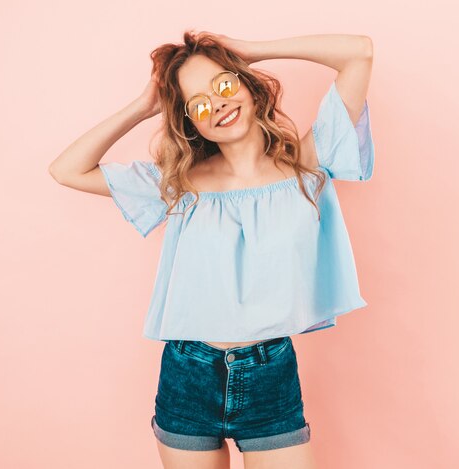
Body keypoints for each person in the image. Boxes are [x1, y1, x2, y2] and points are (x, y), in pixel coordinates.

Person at [49, 31, 374, 469]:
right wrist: (144, 106)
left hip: (269, 372)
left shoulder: (307, 163)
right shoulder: (178, 184)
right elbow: (67, 169)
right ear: (190, 122)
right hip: (188, 373)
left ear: (248, 85)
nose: (216, 104)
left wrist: (252, 50)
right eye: (198, 104)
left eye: (223, 85)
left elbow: (359, 53)